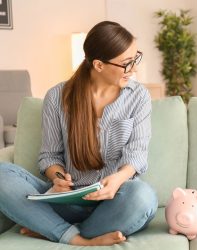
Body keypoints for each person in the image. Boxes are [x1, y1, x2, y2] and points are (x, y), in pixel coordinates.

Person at [0, 21, 158, 246]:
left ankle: (56, 230)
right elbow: (50, 156)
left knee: (143, 198)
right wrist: (58, 178)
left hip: (113, 202)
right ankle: (79, 238)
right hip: (66, 202)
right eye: (126, 63)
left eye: (135, 58)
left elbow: (137, 155)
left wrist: (118, 180)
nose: (134, 68)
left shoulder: (138, 96)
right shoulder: (58, 96)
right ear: (99, 65)